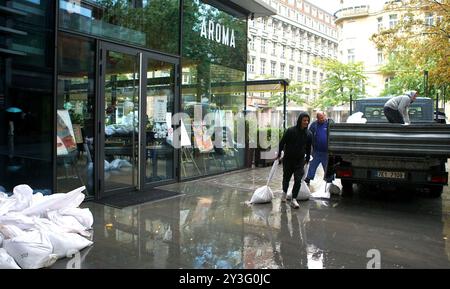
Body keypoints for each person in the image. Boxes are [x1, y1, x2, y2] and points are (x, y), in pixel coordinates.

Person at [277, 112, 312, 209]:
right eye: (304, 120)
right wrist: (279, 154)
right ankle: (284, 193)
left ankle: (294, 199)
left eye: (307, 120)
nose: (306, 122)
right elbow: (282, 142)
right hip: (288, 159)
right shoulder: (290, 131)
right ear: (300, 120)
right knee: (286, 178)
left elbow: (309, 148)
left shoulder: (309, 134)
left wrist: (308, 158)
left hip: (300, 160)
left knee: (298, 179)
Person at [304, 111, 334, 186]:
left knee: (327, 167)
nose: (322, 119)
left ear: (325, 116)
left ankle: (329, 182)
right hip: (316, 151)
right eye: (320, 118)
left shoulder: (329, 124)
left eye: (323, 117)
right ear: (317, 118)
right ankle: (308, 179)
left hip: (327, 151)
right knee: (312, 166)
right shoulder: (314, 125)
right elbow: (309, 135)